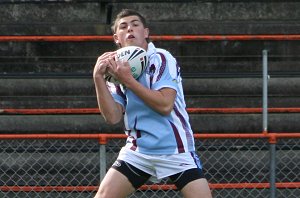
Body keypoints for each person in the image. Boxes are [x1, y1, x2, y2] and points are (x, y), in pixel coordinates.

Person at [93, 9, 212, 198]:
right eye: (123, 26)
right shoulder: (114, 70)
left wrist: (129, 81)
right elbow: (113, 117)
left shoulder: (162, 58)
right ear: (117, 38)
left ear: (146, 33)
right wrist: (98, 78)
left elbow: (165, 106)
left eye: (135, 24)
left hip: (176, 149)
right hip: (138, 151)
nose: (130, 28)